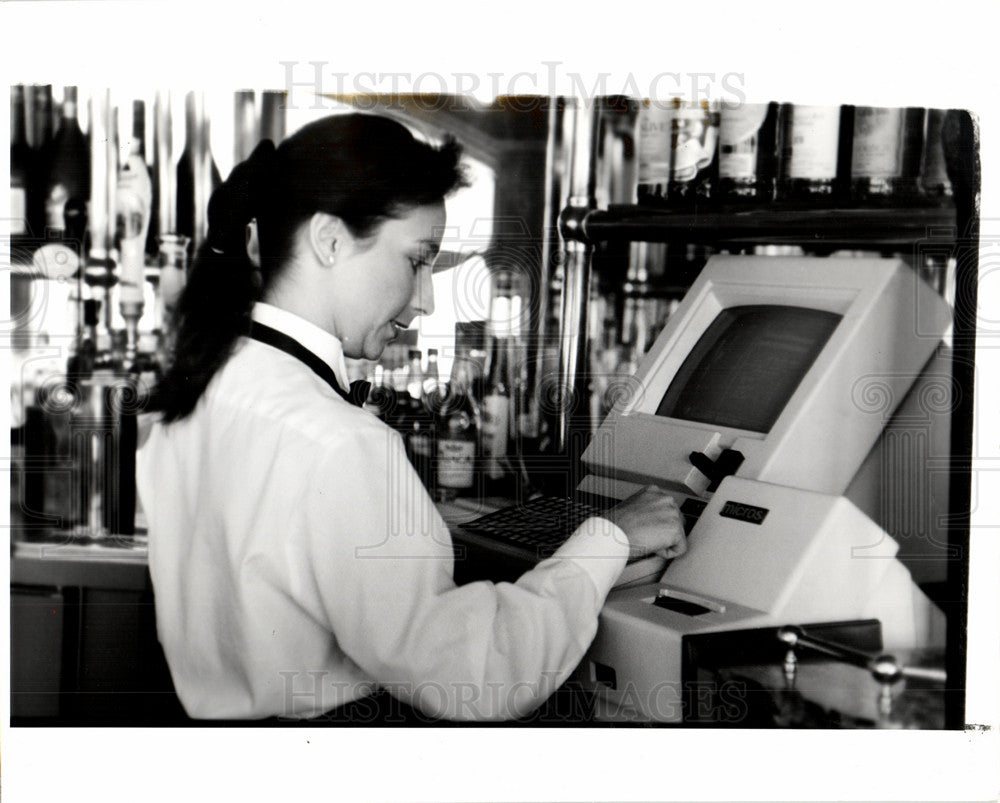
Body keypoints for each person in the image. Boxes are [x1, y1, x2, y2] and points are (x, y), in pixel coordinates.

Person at [137, 112, 686, 722]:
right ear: (330, 240)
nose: (424, 299)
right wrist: (610, 539)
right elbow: (475, 675)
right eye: (416, 260)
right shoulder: (340, 444)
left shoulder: (203, 386)